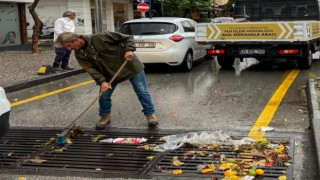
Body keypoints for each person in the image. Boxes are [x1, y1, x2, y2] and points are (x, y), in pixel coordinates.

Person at [55, 31, 158, 130]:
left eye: (69, 45)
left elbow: (127, 37)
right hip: (108, 74)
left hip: (130, 67)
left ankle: (150, 115)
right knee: (104, 95)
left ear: (76, 40)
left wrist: (129, 49)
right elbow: (91, 69)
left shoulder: (101, 37)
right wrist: (102, 81)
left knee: (142, 92)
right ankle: (105, 116)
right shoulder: (79, 54)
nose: (69, 49)